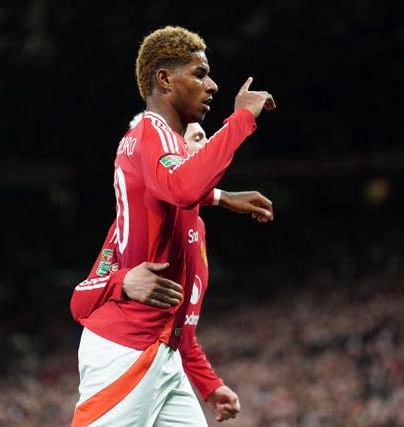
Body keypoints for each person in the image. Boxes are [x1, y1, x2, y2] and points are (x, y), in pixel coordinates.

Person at [70, 25, 275, 427]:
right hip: (128, 347)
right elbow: (182, 185)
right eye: (199, 74)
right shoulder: (152, 132)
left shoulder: (161, 154)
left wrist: (222, 198)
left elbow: (179, 188)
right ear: (164, 79)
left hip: (164, 351)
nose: (212, 86)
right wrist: (241, 119)